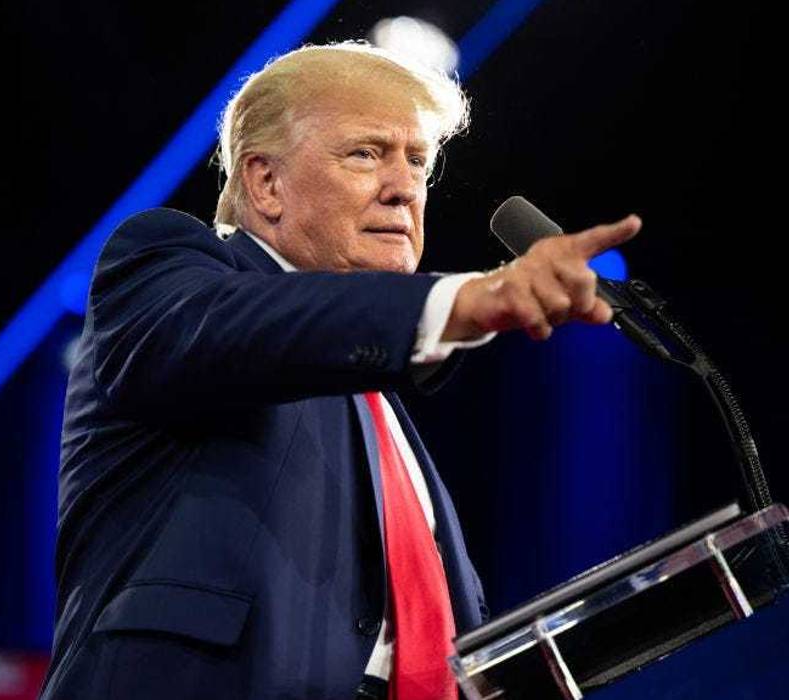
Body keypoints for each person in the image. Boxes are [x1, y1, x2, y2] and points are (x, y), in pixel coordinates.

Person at [39, 41, 641, 700]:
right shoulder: (165, 268)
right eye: (364, 153)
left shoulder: (376, 403)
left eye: (416, 161)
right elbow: (255, 327)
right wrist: (467, 298)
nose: (403, 186)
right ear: (264, 182)